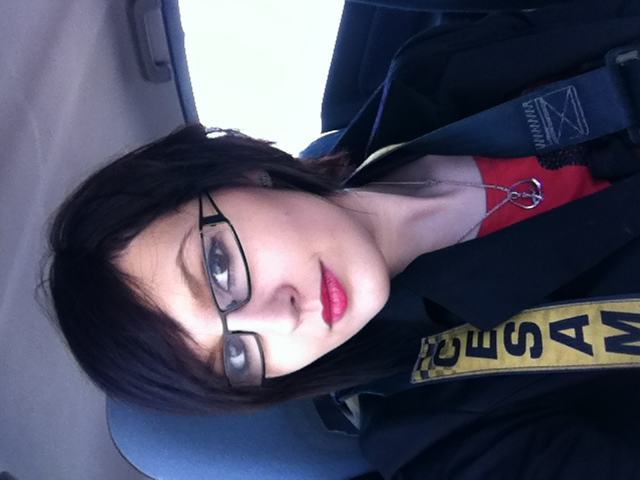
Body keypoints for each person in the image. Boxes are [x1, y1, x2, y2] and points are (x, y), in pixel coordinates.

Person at [46, 1, 640, 478]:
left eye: (220, 269)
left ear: (236, 175)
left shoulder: (431, 73)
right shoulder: (438, 434)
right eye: (238, 357)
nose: (279, 318)